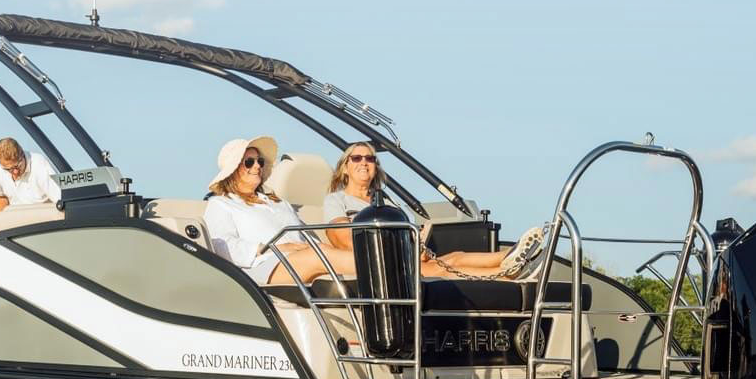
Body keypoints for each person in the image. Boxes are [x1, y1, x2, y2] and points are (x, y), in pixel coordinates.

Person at [323, 143, 544, 279]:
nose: (364, 162)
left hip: (406, 256)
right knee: (445, 269)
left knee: (456, 256)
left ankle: (512, 256)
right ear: (345, 167)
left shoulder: (388, 202)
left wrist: (417, 247)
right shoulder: (336, 200)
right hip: (379, 263)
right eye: (356, 158)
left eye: (370, 158)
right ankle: (507, 273)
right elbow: (341, 239)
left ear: (375, 167)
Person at [202, 136, 359, 287]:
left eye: (259, 161)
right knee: (318, 255)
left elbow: (303, 237)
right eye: (249, 162)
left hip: (298, 259)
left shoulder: (280, 203)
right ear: (232, 171)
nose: (257, 166)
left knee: (322, 251)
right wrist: (271, 248)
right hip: (262, 267)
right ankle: (371, 266)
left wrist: (318, 247)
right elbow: (221, 245)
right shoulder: (221, 204)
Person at [0, 137, 62, 211]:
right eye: (9, 169)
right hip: (15, 215)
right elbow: (0, 197)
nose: (15, 172)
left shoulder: (40, 164)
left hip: (43, 215)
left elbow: (61, 199)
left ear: (22, 154)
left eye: (17, 166)